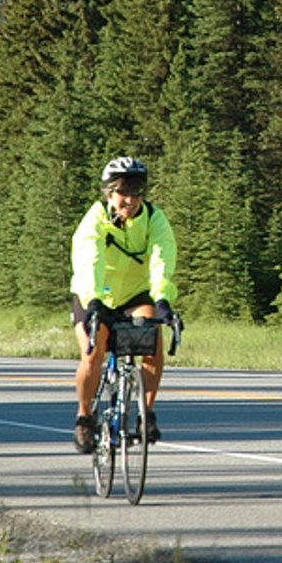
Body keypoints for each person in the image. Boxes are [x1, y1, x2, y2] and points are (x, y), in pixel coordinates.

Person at [70, 156, 179, 452]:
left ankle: (147, 413)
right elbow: (88, 259)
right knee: (94, 352)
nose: (129, 199)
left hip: (136, 294)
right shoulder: (95, 219)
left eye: (136, 192)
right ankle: (84, 417)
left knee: (152, 339)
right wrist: (92, 299)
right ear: (109, 192)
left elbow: (162, 259)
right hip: (95, 296)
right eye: (122, 192)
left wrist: (163, 299)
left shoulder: (154, 218)